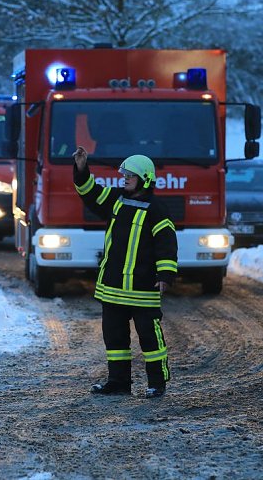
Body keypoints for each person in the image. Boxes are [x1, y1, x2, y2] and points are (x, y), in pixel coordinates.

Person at [72, 146, 178, 398]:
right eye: (125, 175)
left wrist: (165, 275)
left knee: (150, 341)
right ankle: (118, 383)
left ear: (145, 179)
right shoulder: (115, 200)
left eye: (130, 175)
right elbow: (89, 192)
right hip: (112, 288)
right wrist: (81, 168)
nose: (125, 179)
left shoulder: (156, 209)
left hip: (143, 289)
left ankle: (157, 383)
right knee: (115, 340)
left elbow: (167, 244)